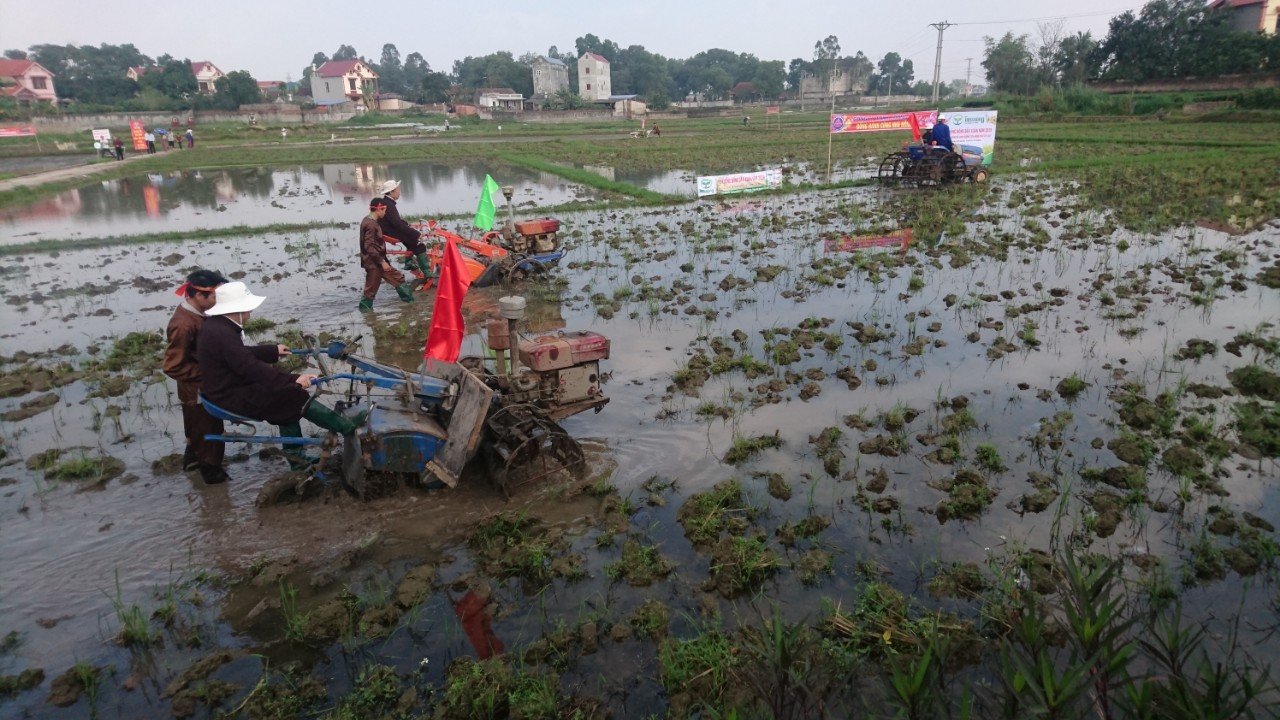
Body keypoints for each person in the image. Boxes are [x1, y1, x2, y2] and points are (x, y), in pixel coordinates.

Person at [196, 281, 366, 472]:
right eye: (248, 309)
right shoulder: (223, 334)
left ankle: (297, 458)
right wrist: (293, 380)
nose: (250, 313)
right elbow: (249, 367)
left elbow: (241, 354)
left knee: (286, 398)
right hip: (230, 395)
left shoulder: (217, 326)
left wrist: (272, 351)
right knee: (293, 395)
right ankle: (346, 428)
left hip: (225, 389)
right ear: (239, 309)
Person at [163, 269, 229, 484]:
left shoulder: (200, 314)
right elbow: (173, 366)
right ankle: (214, 483)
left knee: (198, 433)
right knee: (208, 433)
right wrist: (211, 371)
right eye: (215, 297)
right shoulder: (184, 324)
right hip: (197, 391)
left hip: (205, 385)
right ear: (199, 296)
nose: (218, 301)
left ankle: (192, 464)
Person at [359, 197, 416, 311]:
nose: (385, 212)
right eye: (384, 210)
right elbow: (369, 246)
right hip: (374, 263)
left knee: (398, 278)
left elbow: (374, 242)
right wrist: (382, 261)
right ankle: (365, 313)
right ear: (378, 209)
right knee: (370, 291)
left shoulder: (369, 221)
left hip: (379, 261)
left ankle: (411, 305)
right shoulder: (370, 224)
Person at [375, 179, 433, 284]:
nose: (399, 192)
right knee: (419, 245)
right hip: (391, 232)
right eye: (397, 189)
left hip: (387, 230)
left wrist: (407, 225)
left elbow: (395, 220)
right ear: (391, 192)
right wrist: (417, 233)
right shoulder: (389, 205)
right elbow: (397, 224)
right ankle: (427, 273)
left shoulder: (385, 202)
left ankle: (409, 264)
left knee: (411, 242)